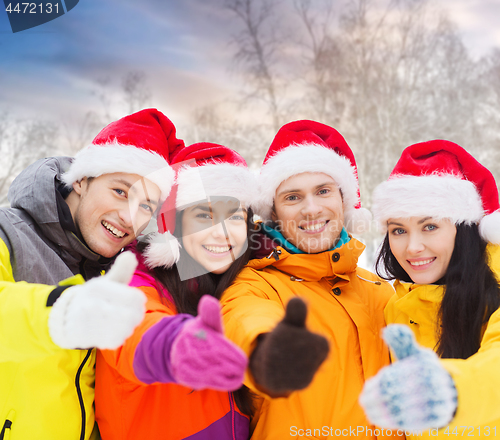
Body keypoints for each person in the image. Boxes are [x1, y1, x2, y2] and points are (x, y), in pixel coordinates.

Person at [0, 108, 184, 440]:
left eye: (146, 206)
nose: (130, 217)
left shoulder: (126, 266)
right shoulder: (8, 233)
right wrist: (61, 311)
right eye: (121, 192)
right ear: (83, 180)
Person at [219, 120, 403, 439]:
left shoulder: (380, 291)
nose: (312, 209)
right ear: (274, 212)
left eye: (323, 191)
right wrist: (268, 348)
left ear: (344, 202)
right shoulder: (255, 286)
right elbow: (245, 320)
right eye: (293, 197)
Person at [95, 142, 259, 440]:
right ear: (174, 226)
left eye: (234, 216)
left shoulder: (242, 285)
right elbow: (134, 327)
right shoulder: (136, 281)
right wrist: (176, 345)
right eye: (204, 216)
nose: (223, 233)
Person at [360, 140, 500, 438]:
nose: (412, 247)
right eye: (399, 230)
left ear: (463, 229)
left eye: (430, 227)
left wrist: (446, 392)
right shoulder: (399, 309)